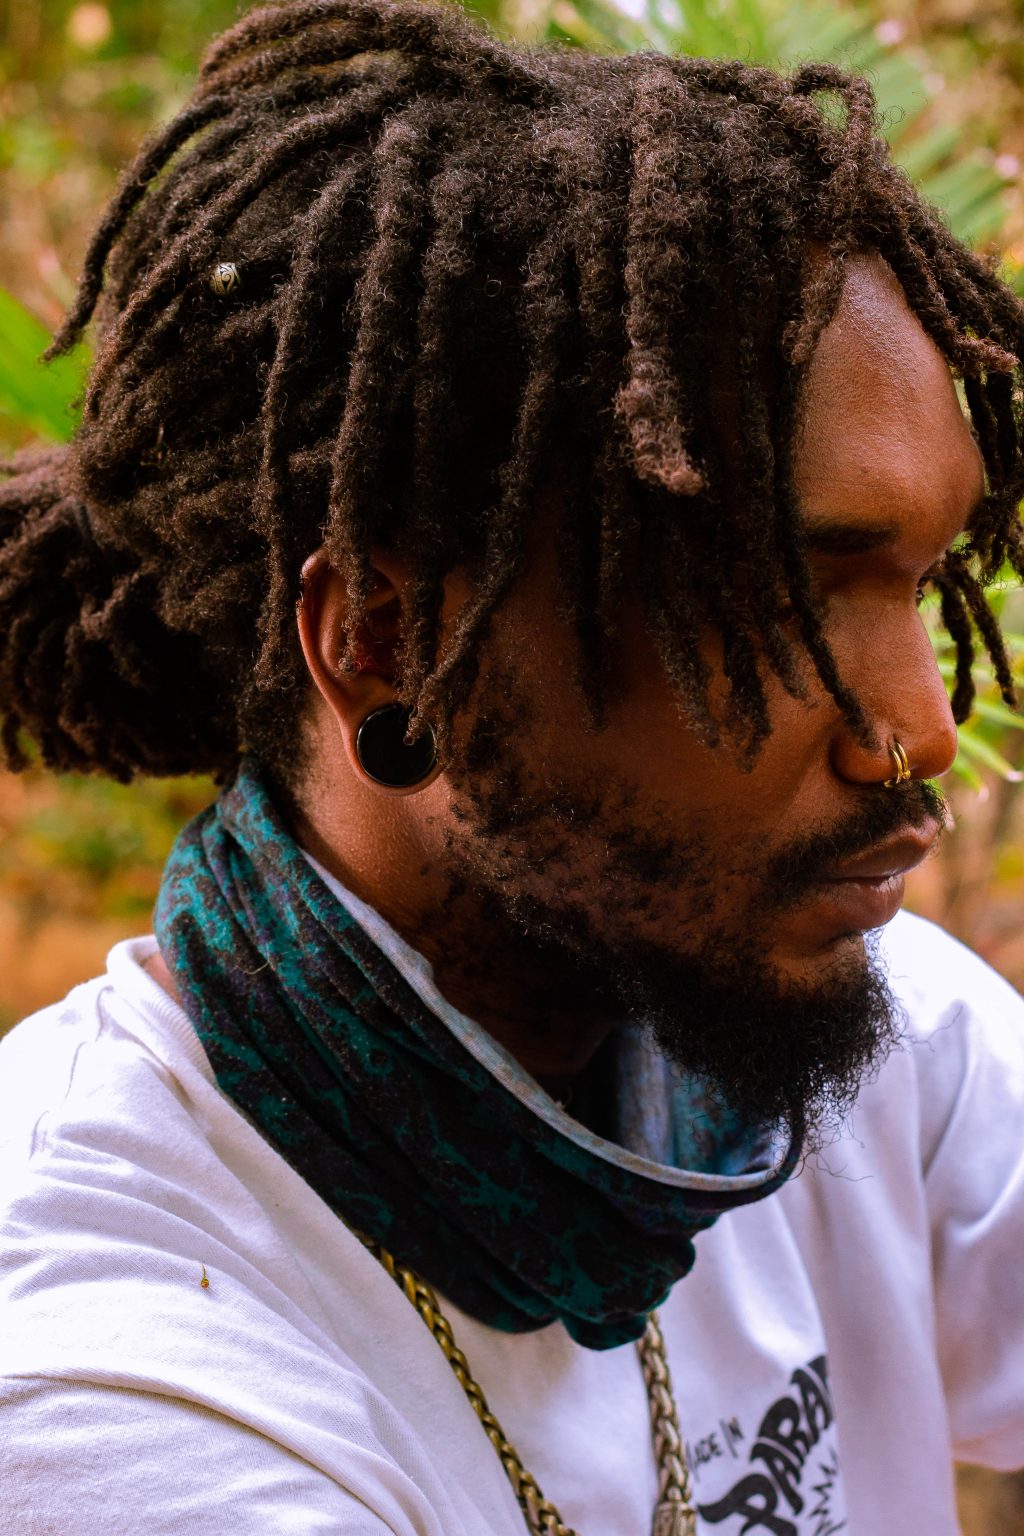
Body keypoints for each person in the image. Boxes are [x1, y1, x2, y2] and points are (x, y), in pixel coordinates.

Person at [2, 0, 1024, 1531]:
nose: (921, 729)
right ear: (387, 640)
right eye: (791, 601)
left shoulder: (873, 1041)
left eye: (925, 585)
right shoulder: (104, 1377)